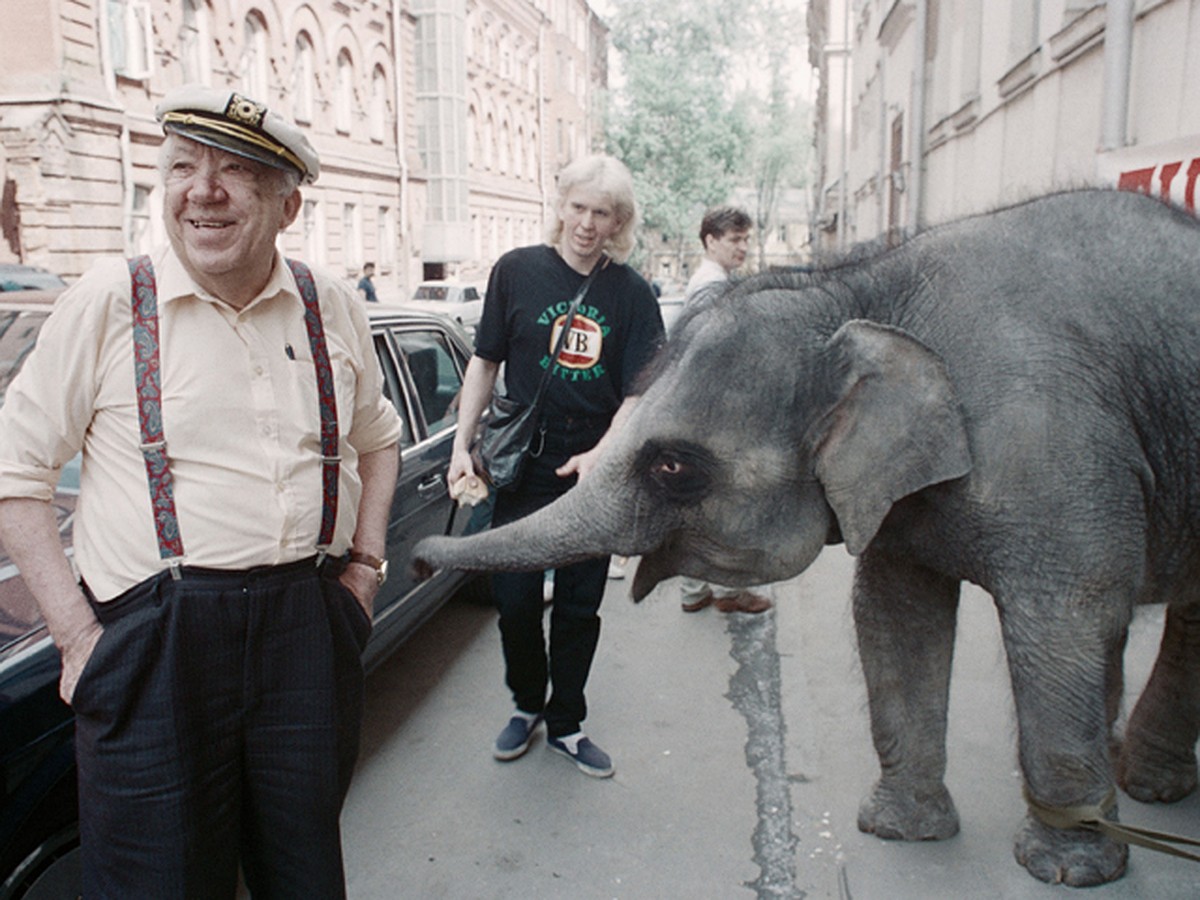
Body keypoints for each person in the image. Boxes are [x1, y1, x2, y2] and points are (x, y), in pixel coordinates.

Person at [0, 85, 402, 898]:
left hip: (305, 629)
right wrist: (78, 639)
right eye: (183, 166)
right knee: (160, 882)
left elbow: (380, 438)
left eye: (237, 172)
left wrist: (363, 568)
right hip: (157, 643)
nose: (203, 190)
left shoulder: (329, 303)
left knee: (303, 871)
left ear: (287, 206)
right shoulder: (112, 300)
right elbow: (15, 475)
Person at [449, 154, 664, 778]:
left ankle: (567, 721)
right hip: (523, 462)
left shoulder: (630, 293)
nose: (586, 223)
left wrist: (602, 452)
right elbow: (485, 363)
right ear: (560, 205)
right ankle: (527, 704)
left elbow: (638, 391)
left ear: (618, 221)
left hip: (591, 471)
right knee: (514, 599)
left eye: (602, 213)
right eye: (577, 207)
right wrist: (464, 446)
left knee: (578, 604)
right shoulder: (516, 272)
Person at [678, 206, 772, 615]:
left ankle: (696, 589)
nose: (743, 247)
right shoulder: (711, 287)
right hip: (718, 413)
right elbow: (715, 352)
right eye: (734, 239)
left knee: (706, 503)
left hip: (703, 409)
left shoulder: (712, 282)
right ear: (710, 241)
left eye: (746, 239)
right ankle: (729, 591)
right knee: (730, 504)